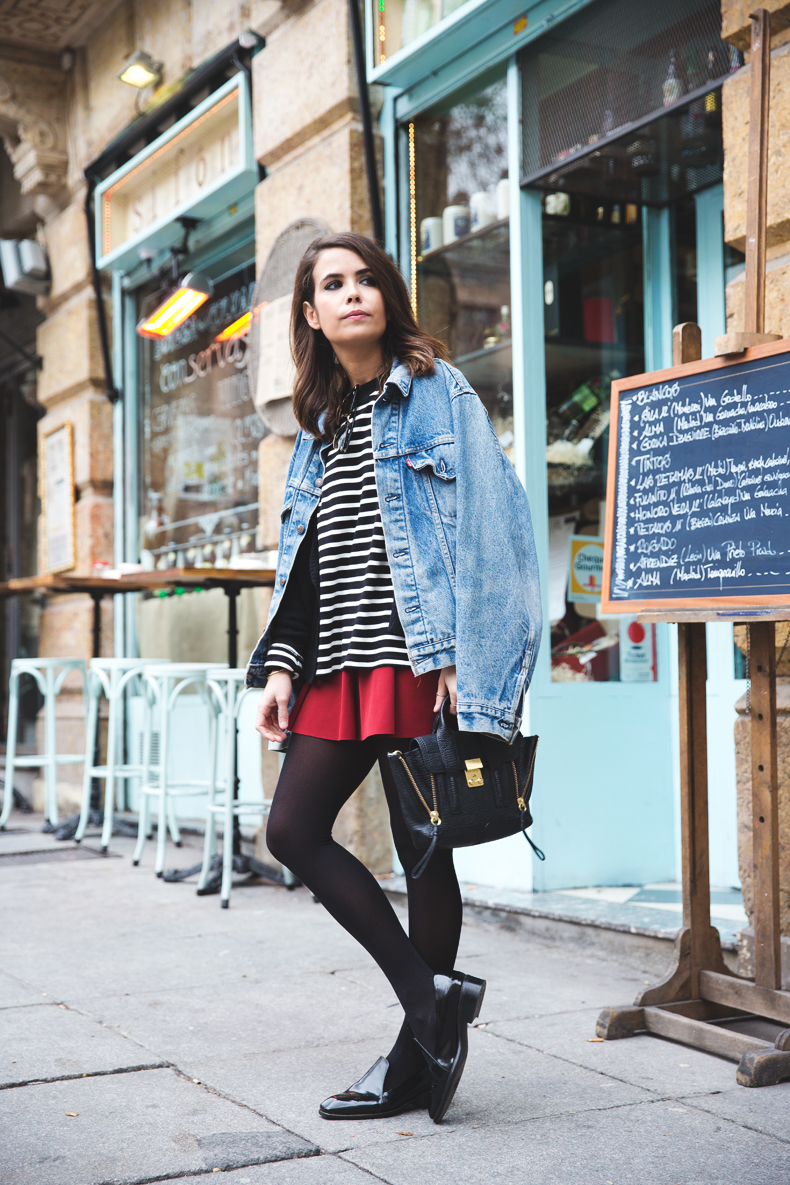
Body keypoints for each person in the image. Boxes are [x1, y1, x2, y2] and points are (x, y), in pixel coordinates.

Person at [247, 231, 541, 1125]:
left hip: (422, 660)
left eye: (366, 278)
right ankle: (431, 1001)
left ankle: (417, 1056)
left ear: (387, 296)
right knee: (293, 829)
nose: (352, 293)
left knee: (427, 853)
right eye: (332, 284)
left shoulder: (435, 392)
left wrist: (473, 662)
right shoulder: (319, 425)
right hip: (337, 668)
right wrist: (283, 668)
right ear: (310, 313)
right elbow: (307, 568)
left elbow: (498, 531)